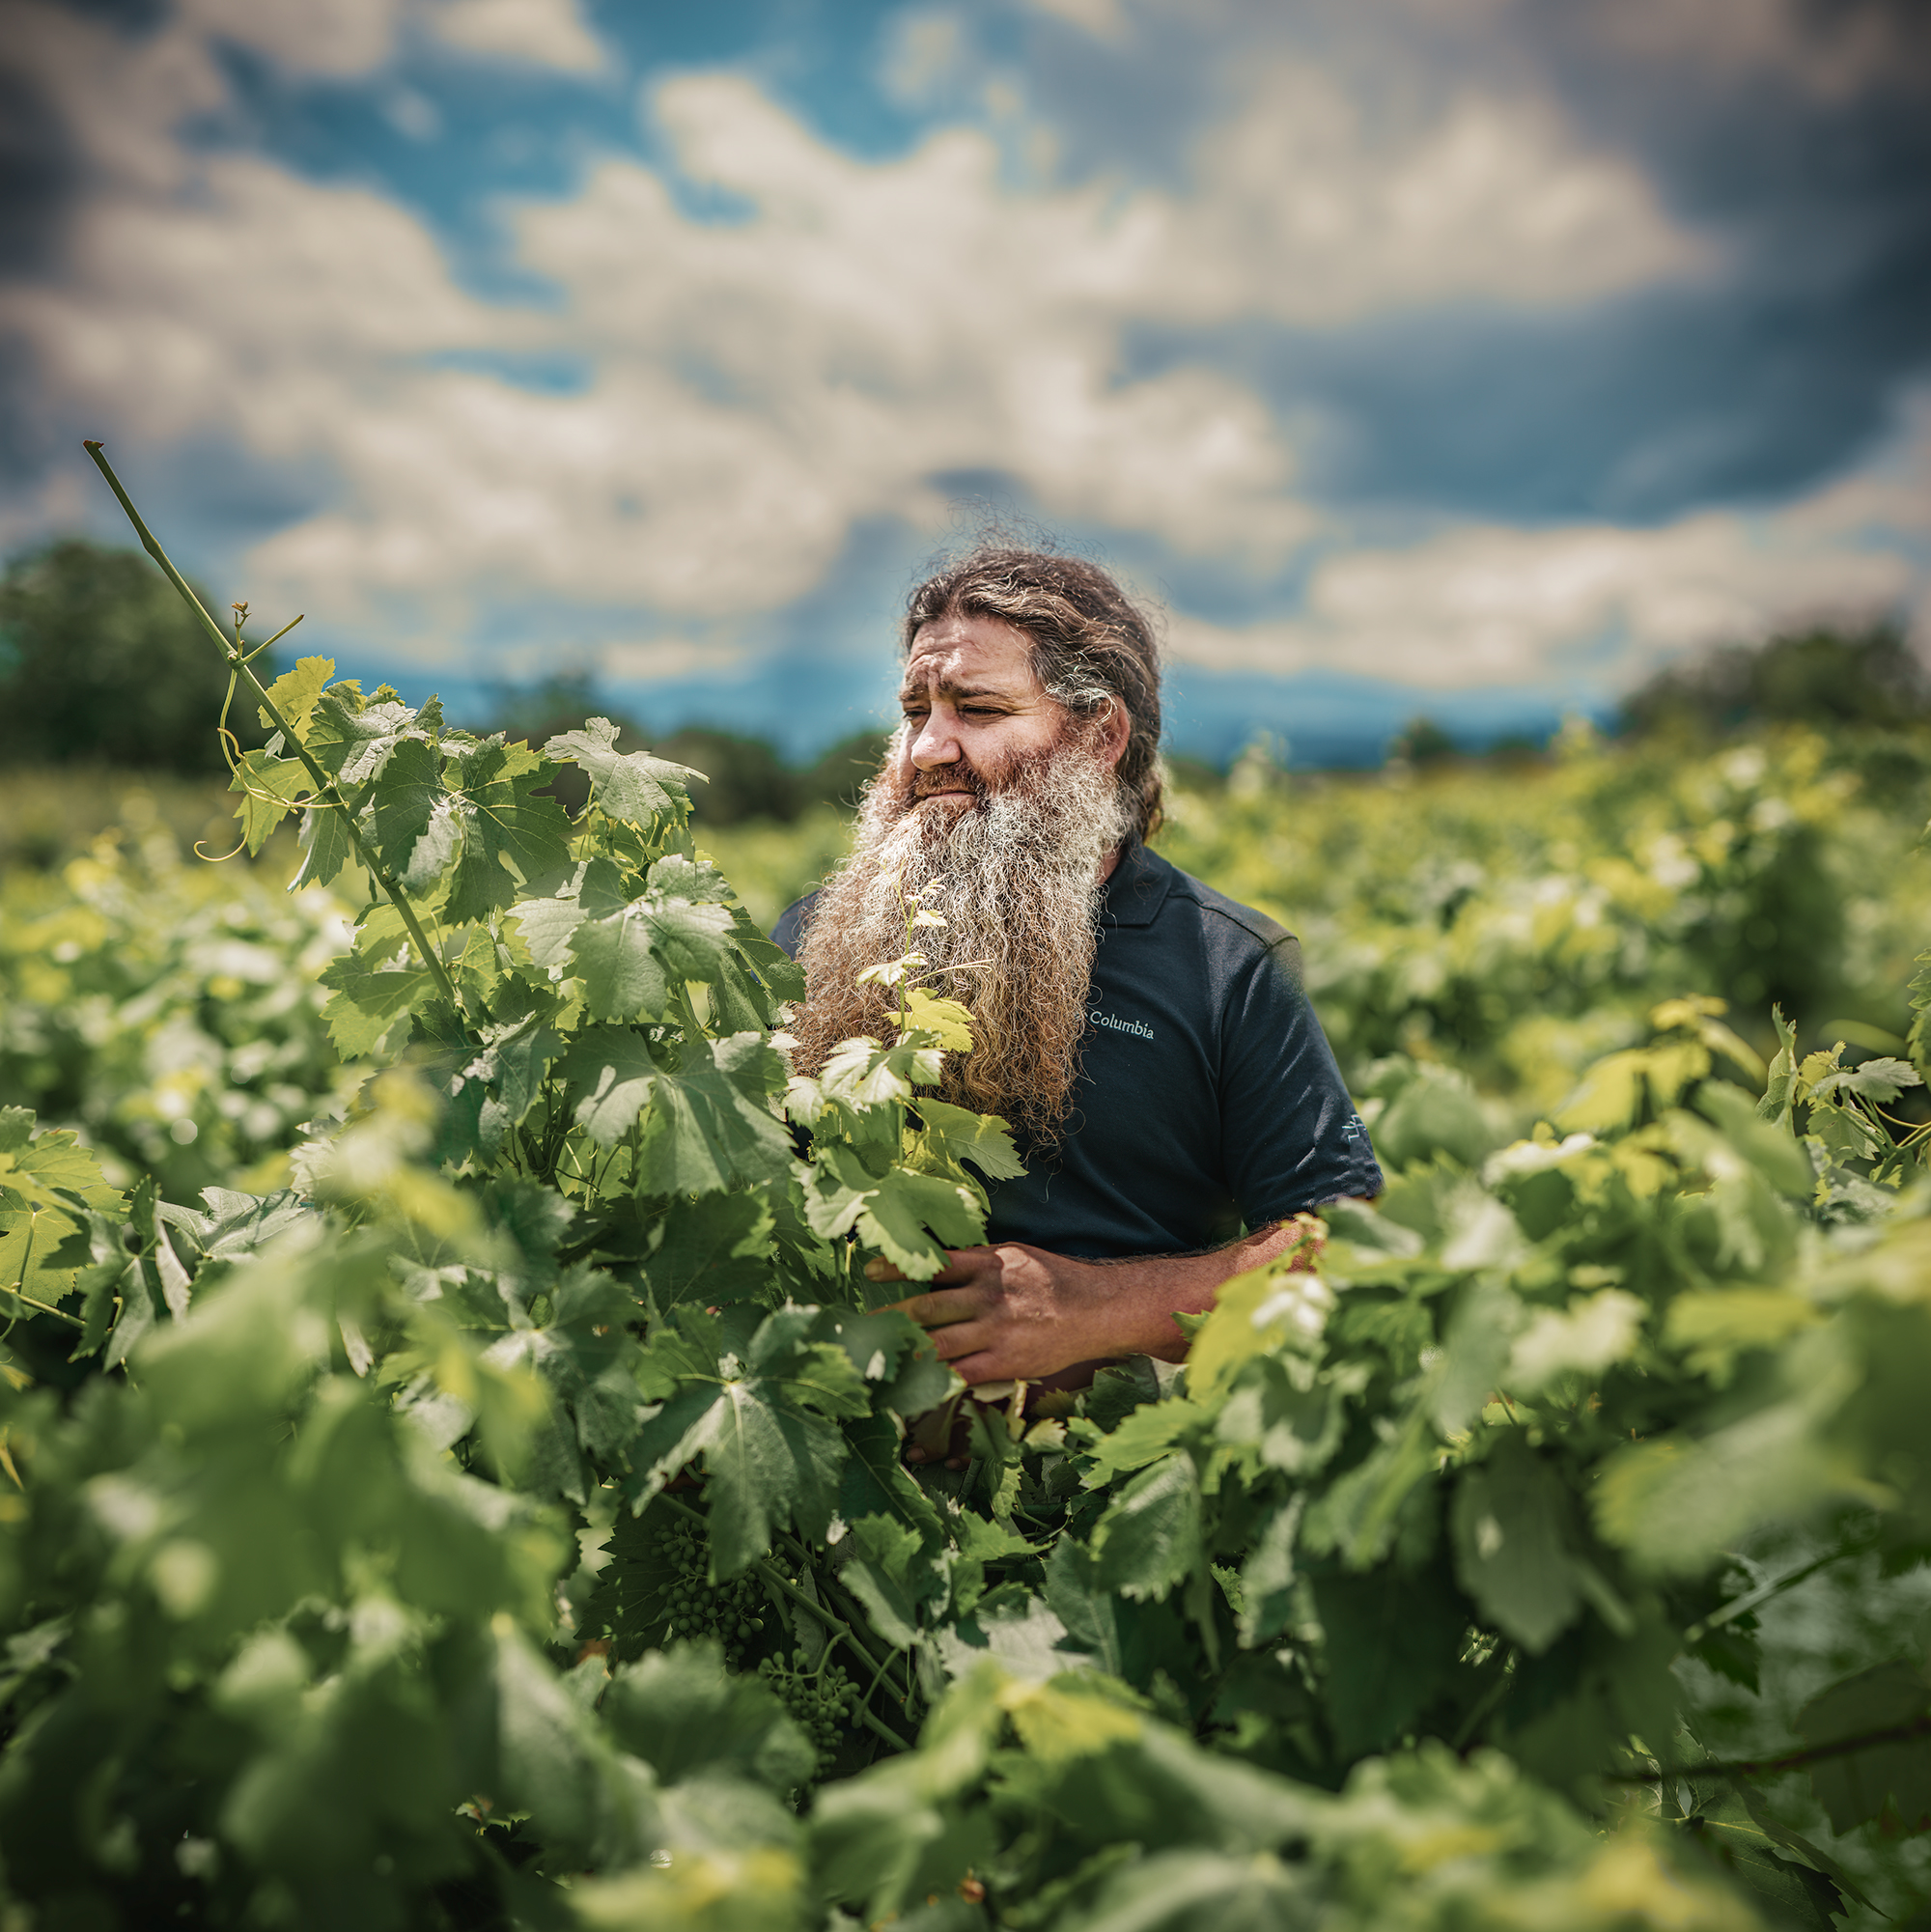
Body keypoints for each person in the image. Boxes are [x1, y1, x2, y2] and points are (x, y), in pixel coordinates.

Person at [772, 546, 1381, 1439]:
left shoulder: (1224, 965)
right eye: (915, 710)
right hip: (840, 1511)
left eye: (977, 708)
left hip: (1106, 1501)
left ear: (1100, 736)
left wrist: (1100, 1305)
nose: (930, 748)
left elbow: (1344, 1243)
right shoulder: (820, 938)